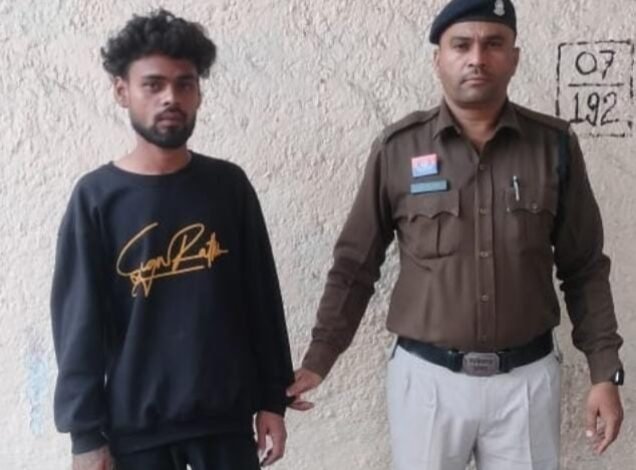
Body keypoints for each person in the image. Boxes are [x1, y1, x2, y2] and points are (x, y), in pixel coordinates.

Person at [287, 1, 624, 469]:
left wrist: (604, 371)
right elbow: (354, 266)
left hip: (526, 383)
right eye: (461, 45)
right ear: (438, 59)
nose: (477, 59)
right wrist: (319, 358)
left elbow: (584, 267)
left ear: (514, 57)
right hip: (427, 383)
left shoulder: (554, 147)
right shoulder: (397, 149)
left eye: (493, 44)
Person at [51, 9, 293, 470]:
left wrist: (272, 399)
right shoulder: (97, 199)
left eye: (185, 84)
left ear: (198, 93)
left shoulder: (228, 187)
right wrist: (85, 435)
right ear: (122, 91)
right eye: (153, 84)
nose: (171, 98)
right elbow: (78, 325)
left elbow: (261, 298)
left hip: (225, 427)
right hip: (136, 435)